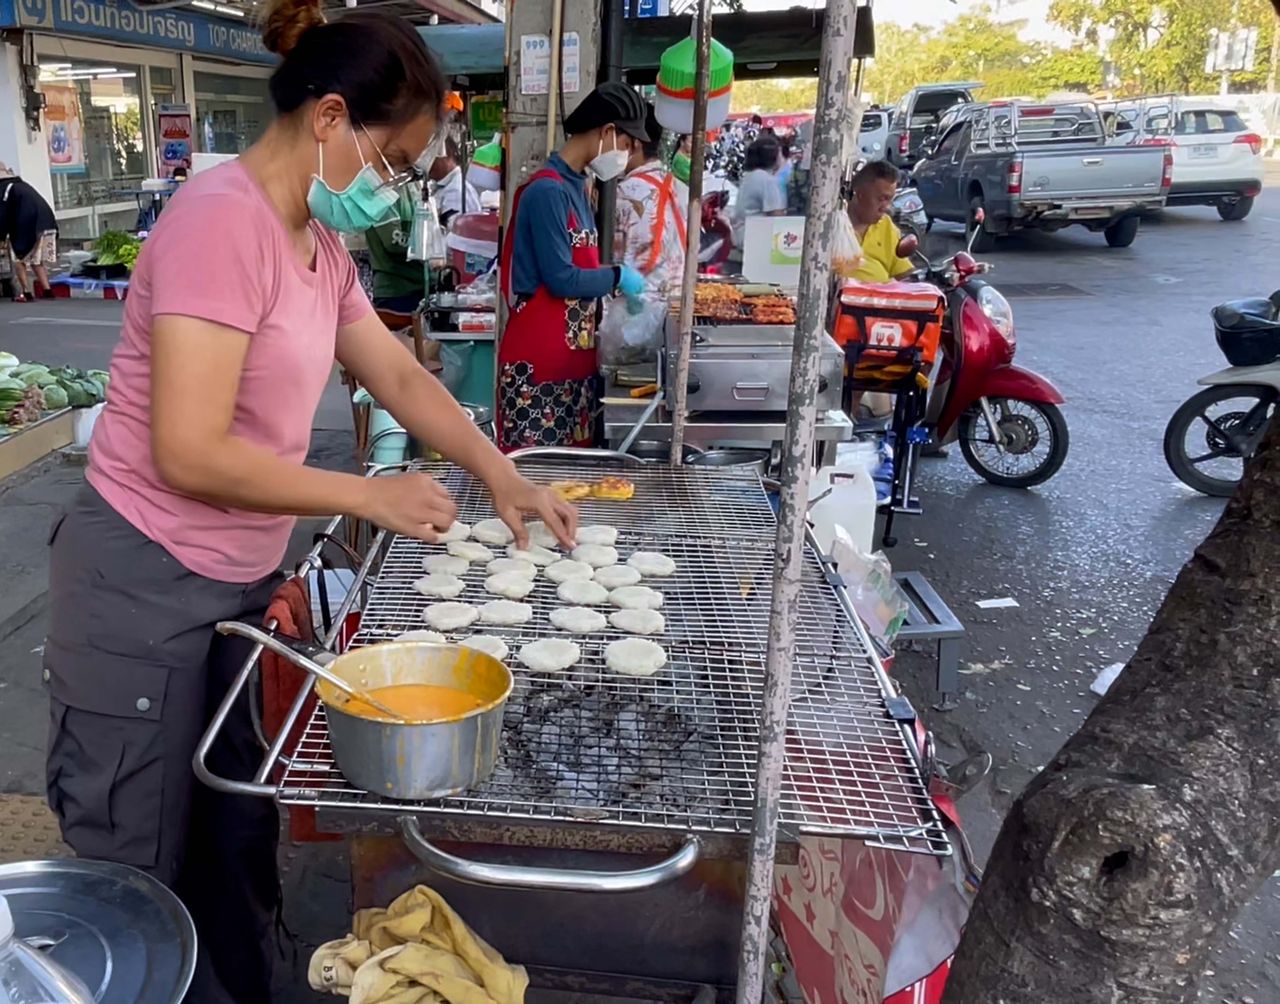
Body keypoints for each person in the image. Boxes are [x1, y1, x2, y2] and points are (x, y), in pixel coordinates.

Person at [43, 3, 577, 1002]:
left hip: (235, 587)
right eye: (395, 163)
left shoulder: (317, 247)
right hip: (142, 583)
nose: (395, 191)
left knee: (231, 836)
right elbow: (190, 449)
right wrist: (364, 493)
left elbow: (403, 378)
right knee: (132, 859)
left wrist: (500, 472)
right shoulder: (220, 222)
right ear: (330, 118)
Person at [498, 81, 648, 451]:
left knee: (571, 481)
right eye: (627, 146)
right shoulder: (546, 192)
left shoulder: (577, 189)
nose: (626, 157)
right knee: (538, 478)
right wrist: (617, 277)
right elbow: (561, 278)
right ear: (608, 131)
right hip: (541, 366)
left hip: (572, 362)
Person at [602, 104, 687, 360]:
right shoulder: (680, 188)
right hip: (674, 319)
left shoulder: (622, 194)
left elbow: (609, 261)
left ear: (634, 143)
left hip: (631, 324)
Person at [846, 159, 913, 284]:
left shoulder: (885, 224)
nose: (886, 207)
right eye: (882, 199)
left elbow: (903, 274)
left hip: (881, 300)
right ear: (860, 194)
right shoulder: (833, 224)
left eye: (890, 200)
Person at [0, 167, 58, 301]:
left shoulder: (4, 189)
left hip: (27, 224)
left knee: (19, 259)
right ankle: (47, 290)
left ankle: (26, 293)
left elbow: (2, 215)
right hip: (46, 221)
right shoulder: (22, 185)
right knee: (36, 259)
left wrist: (2, 237)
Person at [731, 132, 787, 249]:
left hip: (742, 235)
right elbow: (776, 216)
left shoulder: (751, 176)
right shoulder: (767, 181)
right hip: (757, 240)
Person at [428, 135, 481, 228]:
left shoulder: (455, 192)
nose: (429, 164)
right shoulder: (446, 186)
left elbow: (452, 233)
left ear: (449, 155)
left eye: (434, 158)